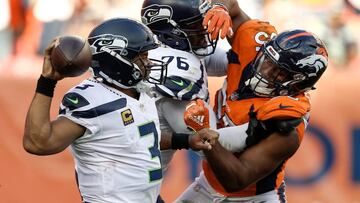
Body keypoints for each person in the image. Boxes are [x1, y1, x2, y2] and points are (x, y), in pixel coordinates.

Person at [22, 17, 215, 203]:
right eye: (142, 56)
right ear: (117, 59)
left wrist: (186, 140)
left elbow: (137, 137)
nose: (149, 62)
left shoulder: (141, 91)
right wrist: (47, 82)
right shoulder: (92, 99)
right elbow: (38, 143)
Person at [177, 0, 329, 202]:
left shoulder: (287, 120)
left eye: (279, 73)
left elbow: (237, 178)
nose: (264, 71)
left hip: (253, 197)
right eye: (267, 60)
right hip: (207, 184)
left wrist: (203, 132)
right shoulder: (253, 48)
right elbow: (232, 4)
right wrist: (219, 7)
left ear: (298, 82)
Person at [140, 0, 232, 174]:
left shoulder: (171, 50)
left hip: (134, 181)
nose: (204, 28)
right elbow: (210, 144)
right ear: (170, 31)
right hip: (124, 186)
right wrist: (259, 129)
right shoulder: (174, 69)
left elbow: (234, 61)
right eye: (196, 24)